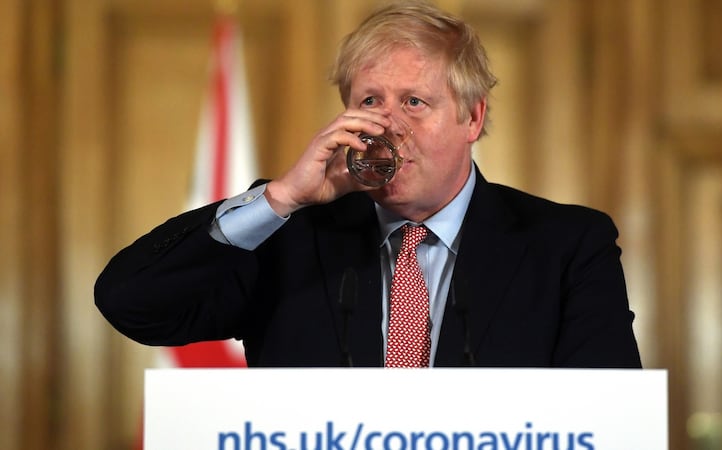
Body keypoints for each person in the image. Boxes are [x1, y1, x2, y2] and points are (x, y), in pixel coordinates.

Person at [95, 1, 641, 368]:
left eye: (414, 102)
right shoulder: (287, 232)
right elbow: (131, 303)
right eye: (369, 102)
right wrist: (281, 199)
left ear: (472, 118)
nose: (386, 126)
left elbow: (608, 416)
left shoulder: (567, 244)